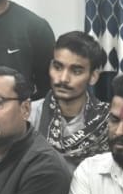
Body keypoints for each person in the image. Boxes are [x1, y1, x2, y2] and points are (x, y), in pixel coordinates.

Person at [28, 31, 111, 167]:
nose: (63, 79)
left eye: (76, 71)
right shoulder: (28, 115)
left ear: (93, 77)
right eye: (58, 67)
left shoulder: (108, 120)